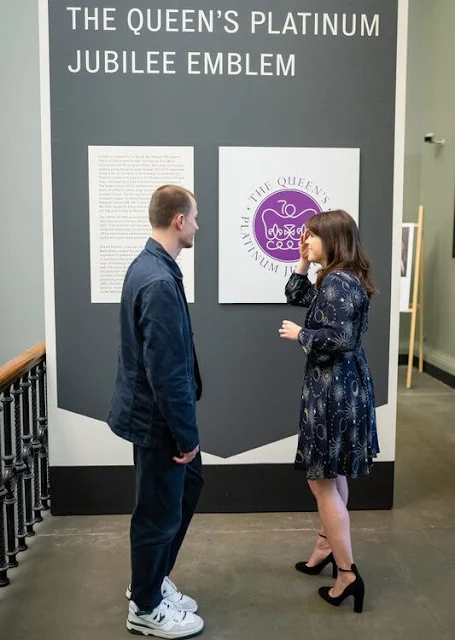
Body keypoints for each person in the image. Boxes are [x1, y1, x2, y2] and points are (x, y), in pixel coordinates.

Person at [107, 185, 204, 638]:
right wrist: (185, 436)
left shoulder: (148, 266)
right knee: (158, 514)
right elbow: (167, 371)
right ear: (179, 221)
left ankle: (151, 582)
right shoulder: (160, 280)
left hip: (156, 418)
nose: (198, 227)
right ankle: (145, 607)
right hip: (160, 423)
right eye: (196, 218)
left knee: (180, 496)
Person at [279, 209, 379, 614]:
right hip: (345, 385)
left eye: (313, 236)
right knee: (332, 474)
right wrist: (302, 262)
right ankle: (325, 548)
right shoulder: (340, 278)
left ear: (333, 240)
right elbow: (297, 295)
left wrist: (299, 333)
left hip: (333, 389)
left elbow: (336, 339)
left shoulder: (337, 282)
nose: (306, 240)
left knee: (322, 481)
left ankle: (347, 573)